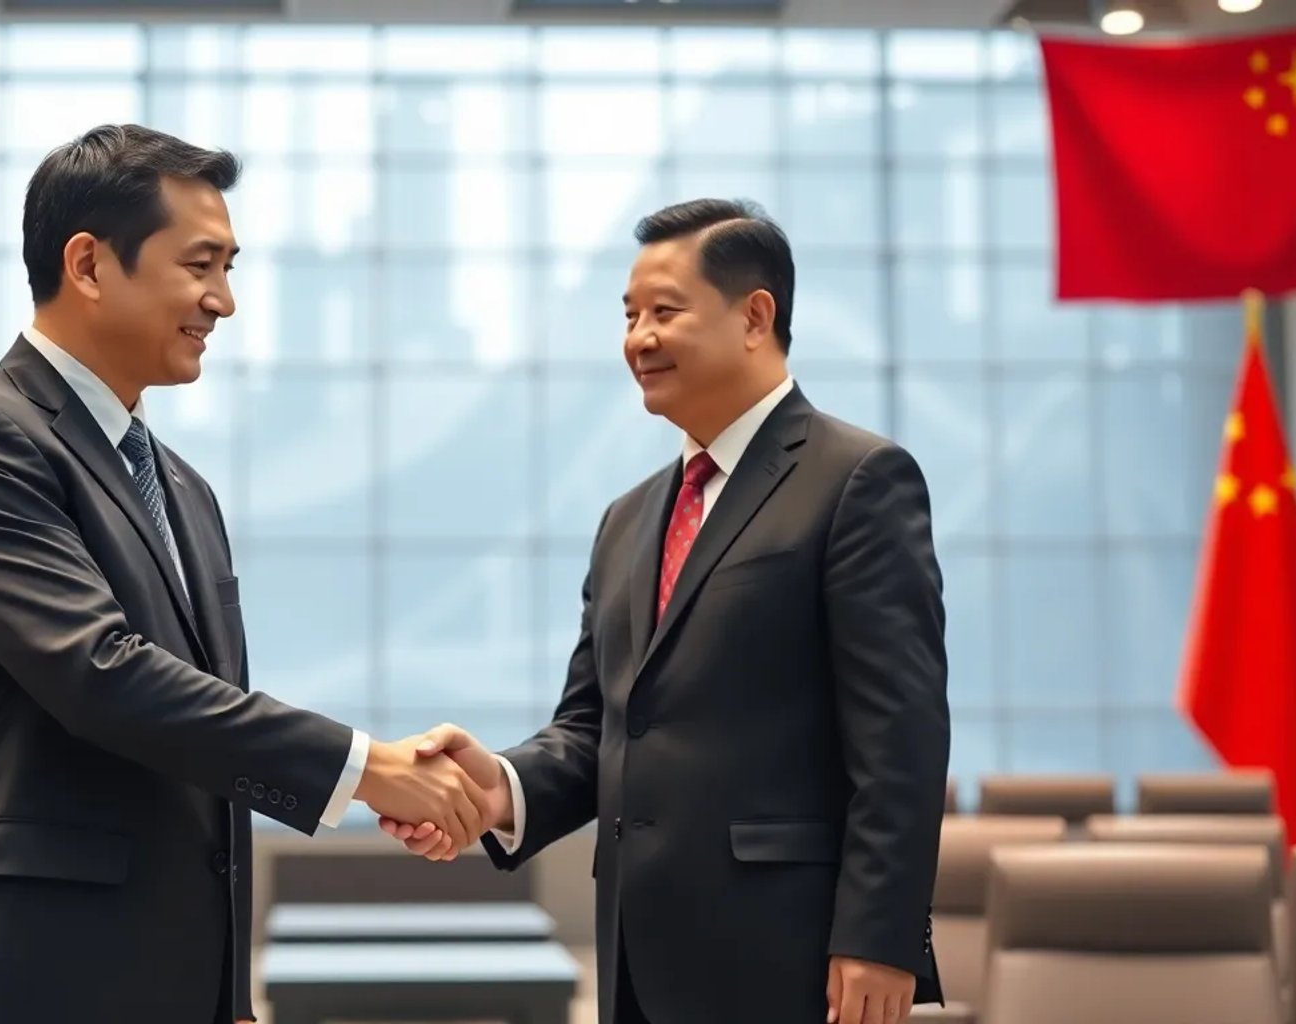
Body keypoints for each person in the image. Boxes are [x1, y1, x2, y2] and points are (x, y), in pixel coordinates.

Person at [0, 124, 490, 1024]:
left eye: (229, 268)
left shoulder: (183, 490)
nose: (224, 302)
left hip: (174, 978)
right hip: (30, 971)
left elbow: (199, 733)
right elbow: (101, 675)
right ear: (87, 265)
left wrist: (226, 991)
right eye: (201, 265)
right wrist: (368, 769)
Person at [382, 199, 951, 1024]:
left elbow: (901, 738)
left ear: (756, 316)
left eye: (664, 312)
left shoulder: (858, 480)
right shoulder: (628, 518)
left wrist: (881, 937)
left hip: (795, 960)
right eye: (629, 315)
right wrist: (496, 787)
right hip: (636, 964)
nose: (638, 338)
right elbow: (596, 729)